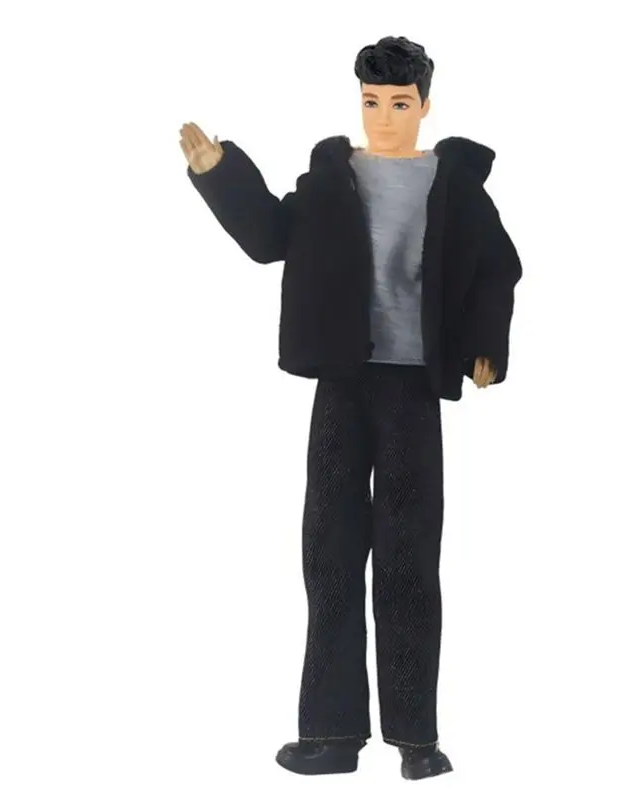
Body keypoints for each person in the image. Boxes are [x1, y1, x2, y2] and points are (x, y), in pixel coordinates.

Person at [180, 35, 523, 780]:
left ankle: (416, 739)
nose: (385, 117)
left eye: (400, 104)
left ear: (425, 106)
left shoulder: (454, 184)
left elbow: (499, 267)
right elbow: (270, 237)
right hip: (342, 379)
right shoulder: (333, 176)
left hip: (412, 387)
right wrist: (220, 173)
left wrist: (484, 344)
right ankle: (332, 733)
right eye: (372, 103)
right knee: (329, 554)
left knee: (409, 558)